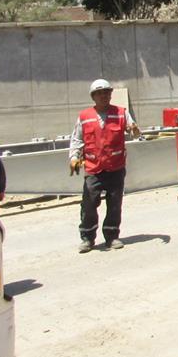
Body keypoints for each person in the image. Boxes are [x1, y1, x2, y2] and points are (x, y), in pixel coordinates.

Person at [69, 79, 140, 253]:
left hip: (115, 167)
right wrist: (73, 157)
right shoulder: (84, 116)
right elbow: (77, 139)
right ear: (93, 97)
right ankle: (87, 237)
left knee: (115, 203)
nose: (104, 96)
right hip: (94, 168)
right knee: (89, 203)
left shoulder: (121, 113)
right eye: (100, 94)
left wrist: (135, 130)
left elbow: (133, 129)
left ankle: (112, 236)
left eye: (107, 93)